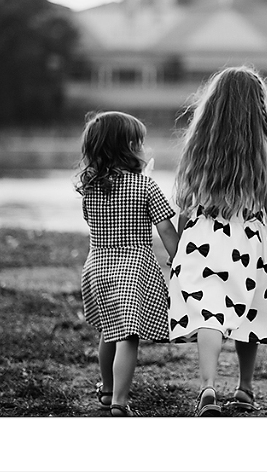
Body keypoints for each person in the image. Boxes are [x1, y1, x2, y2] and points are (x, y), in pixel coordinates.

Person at [168, 66, 267, 416]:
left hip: (202, 235)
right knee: (251, 311)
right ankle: (244, 388)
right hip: (249, 239)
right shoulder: (261, 149)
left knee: (209, 312)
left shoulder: (199, 145)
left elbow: (186, 202)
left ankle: (207, 387)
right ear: (257, 107)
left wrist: (180, 245)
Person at [76, 111, 179, 417]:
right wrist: (179, 258)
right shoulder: (145, 186)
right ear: (129, 147)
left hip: (97, 266)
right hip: (133, 269)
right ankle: (120, 402)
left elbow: (93, 223)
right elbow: (166, 230)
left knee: (109, 330)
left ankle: (107, 390)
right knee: (128, 336)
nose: (144, 147)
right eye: (139, 142)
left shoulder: (90, 188)